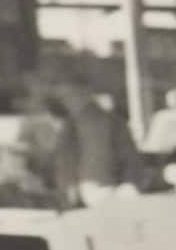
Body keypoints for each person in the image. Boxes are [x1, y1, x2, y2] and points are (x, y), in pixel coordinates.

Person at [52, 71, 144, 205]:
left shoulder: (112, 123)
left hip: (108, 192)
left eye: (71, 95)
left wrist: (129, 186)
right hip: (82, 196)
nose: (67, 102)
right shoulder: (69, 127)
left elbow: (131, 160)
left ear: (87, 92)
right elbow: (64, 162)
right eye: (63, 98)